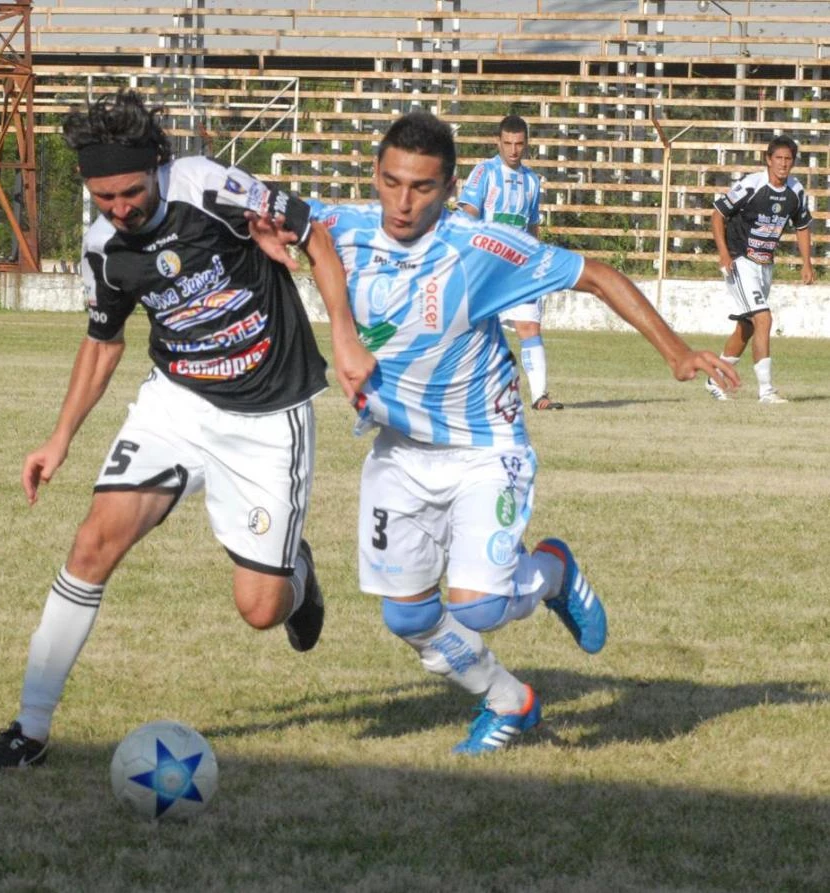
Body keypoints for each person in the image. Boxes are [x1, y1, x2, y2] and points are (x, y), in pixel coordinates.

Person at [260, 111, 738, 755]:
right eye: (392, 182)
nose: (404, 202)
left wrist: (676, 352)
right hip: (397, 453)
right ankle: (509, 701)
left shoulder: (481, 249)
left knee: (479, 606)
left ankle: (553, 572)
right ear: (374, 174)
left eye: (423, 187)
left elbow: (595, 273)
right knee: (407, 615)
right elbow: (251, 206)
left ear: (451, 186)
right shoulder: (340, 228)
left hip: (487, 448)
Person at [0, 90, 374, 769]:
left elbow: (313, 234)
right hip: (178, 404)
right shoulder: (104, 246)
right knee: (92, 542)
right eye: (104, 198)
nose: (120, 209)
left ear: (157, 166)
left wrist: (344, 336)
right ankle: (31, 726)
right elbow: (103, 342)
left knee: (259, 607)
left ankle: (296, 572)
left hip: (268, 412)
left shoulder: (210, 186)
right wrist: (58, 438)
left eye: (130, 192)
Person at [457, 114, 561, 411]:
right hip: (486, 268)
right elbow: (467, 214)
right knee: (473, 333)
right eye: (508, 143)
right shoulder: (484, 172)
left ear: (527, 144)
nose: (513, 150)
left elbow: (531, 227)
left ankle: (540, 396)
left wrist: (538, 261)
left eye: (519, 144)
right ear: (497, 143)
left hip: (520, 269)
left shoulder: (531, 181)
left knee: (529, 326)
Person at [706, 134, 814, 403]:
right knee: (763, 319)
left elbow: (802, 227)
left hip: (765, 265)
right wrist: (723, 254)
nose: (783, 164)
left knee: (747, 328)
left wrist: (807, 263)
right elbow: (718, 214)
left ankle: (714, 378)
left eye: (788, 159)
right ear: (768, 159)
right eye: (778, 158)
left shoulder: (796, 191)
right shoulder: (752, 185)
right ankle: (766, 391)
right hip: (740, 260)